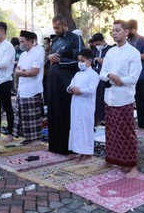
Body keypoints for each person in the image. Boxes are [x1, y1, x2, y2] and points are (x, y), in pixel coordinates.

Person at [99, 20, 142, 176]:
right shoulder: (110, 52)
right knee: (110, 131)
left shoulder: (133, 53)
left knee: (126, 132)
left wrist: (120, 79)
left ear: (126, 32)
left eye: (117, 30)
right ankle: (111, 159)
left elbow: (134, 78)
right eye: (113, 30)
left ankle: (132, 165)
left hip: (124, 97)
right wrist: (111, 75)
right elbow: (102, 73)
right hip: (109, 96)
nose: (114, 33)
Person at [46, 14, 82, 154]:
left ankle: (68, 147)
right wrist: (50, 56)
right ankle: (55, 146)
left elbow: (79, 60)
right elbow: (50, 58)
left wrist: (60, 61)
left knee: (65, 112)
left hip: (66, 81)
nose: (55, 30)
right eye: (54, 28)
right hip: (53, 82)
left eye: (58, 27)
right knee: (53, 112)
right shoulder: (55, 41)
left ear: (65, 25)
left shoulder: (75, 38)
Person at [67, 48, 100, 162]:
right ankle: (80, 152)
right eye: (79, 60)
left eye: (82, 60)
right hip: (76, 104)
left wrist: (80, 90)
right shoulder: (77, 74)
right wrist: (71, 88)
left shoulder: (94, 75)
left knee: (86, 128)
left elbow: (91, 90)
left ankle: (88, 154)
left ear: (89, 61)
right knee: (77, 127)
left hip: (86, 106)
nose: (80, 63)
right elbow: (70, 85)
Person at [13, 30, 45, 144]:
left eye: (23, 41)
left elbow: (34, 72)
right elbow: (17, 69)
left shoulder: (37, 53)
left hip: (32, 89)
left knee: (32, 116)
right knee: (23, 115)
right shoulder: (23, 55)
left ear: (30, 41)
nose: (20, 44)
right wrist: (23, 72)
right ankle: (27, 137)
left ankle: (35, 139)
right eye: (20, 41)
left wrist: (22, 72)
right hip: (22, 89)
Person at [126, 19, 144, 134]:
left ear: (133, 29)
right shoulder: (127, 41)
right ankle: (129, 125)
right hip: (127, 75)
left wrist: (132, 55)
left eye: (129, 30)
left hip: (141, 76)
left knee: (141, 102)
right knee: (128, 101)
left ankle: (143, 127)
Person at [0, 22, 15, 142]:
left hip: (5, 80)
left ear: (3, 31)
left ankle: (11, 132)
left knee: (7, 107)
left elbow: (4, 64)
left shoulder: (8, 46)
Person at [91, 32, 111, 125]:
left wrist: (103, 61)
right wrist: (95, 60)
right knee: (96, 97)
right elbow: (91, 60)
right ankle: (97, 117)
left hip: (105, 76)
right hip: (95, 75)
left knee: (102, 96)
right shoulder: (95, 50)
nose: (97, 46)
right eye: (95, 45)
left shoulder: (110, 50)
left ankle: (104, 117)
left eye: (98, 44)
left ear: (103, 41)